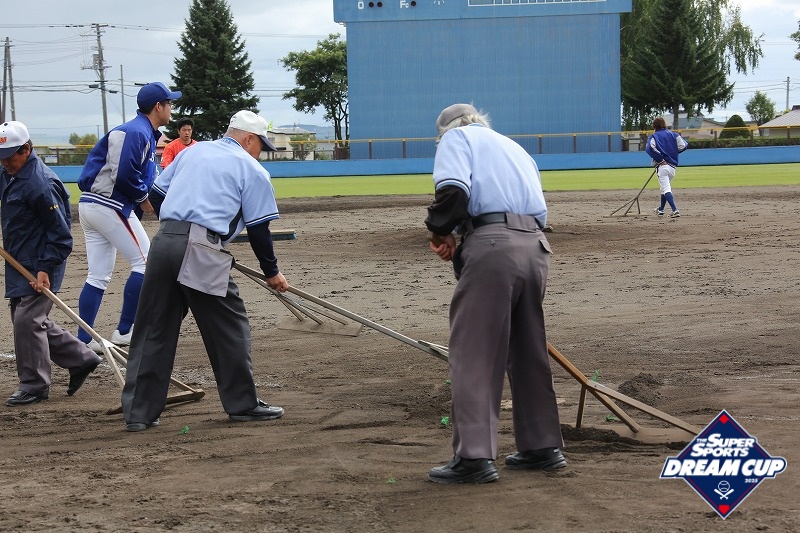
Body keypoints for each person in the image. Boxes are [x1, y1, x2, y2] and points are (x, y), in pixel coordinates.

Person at [424, 104, 566, 484]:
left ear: (446, 130)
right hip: (535, 246)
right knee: (528, 349)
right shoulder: (514, 147)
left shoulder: (455, 138)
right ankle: (542, 447)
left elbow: (453, 193)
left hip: (493, 245)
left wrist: (439, 231)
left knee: (475, 352)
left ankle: (473, 457)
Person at [121, 110, 288, 432]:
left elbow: (156, 194)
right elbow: (259, 230)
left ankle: (139, 414)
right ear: (248, 139)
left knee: (152, 329)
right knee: (229, 326)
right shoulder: (252, 169)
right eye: (260, 145)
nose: (260, 152)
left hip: (164, 241)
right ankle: (243, 404)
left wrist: (181, 226)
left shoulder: (192, 152)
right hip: (201, 248)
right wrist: (272, 272)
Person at [0, 121, 103, 406]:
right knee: (27, 320)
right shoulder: (9, 172)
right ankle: (81, 358)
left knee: (27, 319)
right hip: (19, 259)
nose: (4, 162)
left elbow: (61, 235)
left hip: (42, 263)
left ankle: (34, 385)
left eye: (9, 157)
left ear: (26, 149)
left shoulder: (41, 183)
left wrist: (45, 269)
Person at [76, 81, 181, 352]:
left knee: (98, 276)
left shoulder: (142, 131)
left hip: (93, 205)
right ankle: (124, 331)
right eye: (169, 103)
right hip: (108, 204)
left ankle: (83, 340)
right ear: (158, 106)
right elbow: (124, 174)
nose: (171, 108)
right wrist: (144, 199)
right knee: (145, 263)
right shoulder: (137, 131)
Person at [646, 117, 688, 218]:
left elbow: (649, 148)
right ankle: (661, 209)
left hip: (663, 167)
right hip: (672, 167)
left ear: (654, 126)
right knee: (663, 189)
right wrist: (672, 152)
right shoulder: (674, 135)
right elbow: (684, 145)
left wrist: (660, 159)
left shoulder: (653, 136)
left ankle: (675, 210)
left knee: (666, 188)